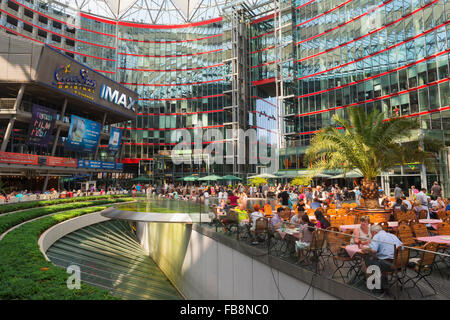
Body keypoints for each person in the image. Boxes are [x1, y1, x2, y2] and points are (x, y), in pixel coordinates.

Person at [361, 224, 403, 293]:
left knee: (365, 262)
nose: (372, 235)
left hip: (388, 265)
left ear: (374, 232)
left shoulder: (377, 236)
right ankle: (383, 284)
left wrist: (366, 249)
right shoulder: (392, 235)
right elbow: (403, 247)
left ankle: (374, 285)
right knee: (377, 260)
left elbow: (374, 250)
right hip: (399, 263)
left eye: (371, 233)